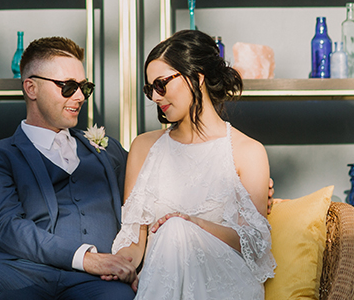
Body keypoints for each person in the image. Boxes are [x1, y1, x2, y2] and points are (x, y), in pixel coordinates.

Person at [0, 36, 136, 300]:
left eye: (84, 87)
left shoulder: (107, 150)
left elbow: (146, 197)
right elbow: (5, 227)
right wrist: (86, 258)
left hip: (97, 281)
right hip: (15, 270)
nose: (79, 97)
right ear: (31, 88)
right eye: (67, 87)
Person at [111, 29, 275, 299]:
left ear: (196, 78)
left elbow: (255, 242)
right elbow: (133, 237)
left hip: (224, 279)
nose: (155, 97)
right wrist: (118, 265)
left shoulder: (248, 151)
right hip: (159, 276)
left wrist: (192, 223)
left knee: (176, 228)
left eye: (161, 84)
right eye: (149, 88)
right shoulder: (144, 147)